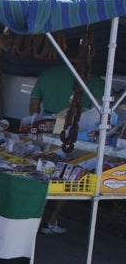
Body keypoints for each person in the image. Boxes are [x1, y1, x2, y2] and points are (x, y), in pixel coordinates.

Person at [29, 62, 106, 234]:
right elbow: (108, 103)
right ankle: (51, 220)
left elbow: (33, 107)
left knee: (40, 173)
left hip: (47, 132)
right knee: (68, 178)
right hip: (75, 135)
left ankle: (32, 217)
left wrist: (38, 127)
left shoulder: (47, 73)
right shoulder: (91, 78)